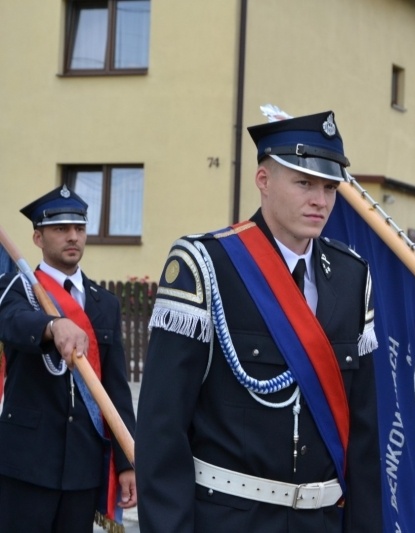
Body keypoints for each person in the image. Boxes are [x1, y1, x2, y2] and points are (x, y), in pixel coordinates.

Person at [135, 110, 383, 532]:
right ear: (263, 181)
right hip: (230, 519)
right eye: (304, 183)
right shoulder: (206, 265)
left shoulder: (352, 275)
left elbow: (363, 437)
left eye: (329, 187)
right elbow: (162, 429)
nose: (320, 200)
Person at [0, 185, 137, 533]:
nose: (72, 237)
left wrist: (126, 464)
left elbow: (116, 389)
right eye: (60, 229)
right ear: (37, 237)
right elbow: (12, 323)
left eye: (79, 228)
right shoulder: (17, 290)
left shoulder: (105, 303)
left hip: (82, 465)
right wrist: (53, 325)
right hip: (27, 463)